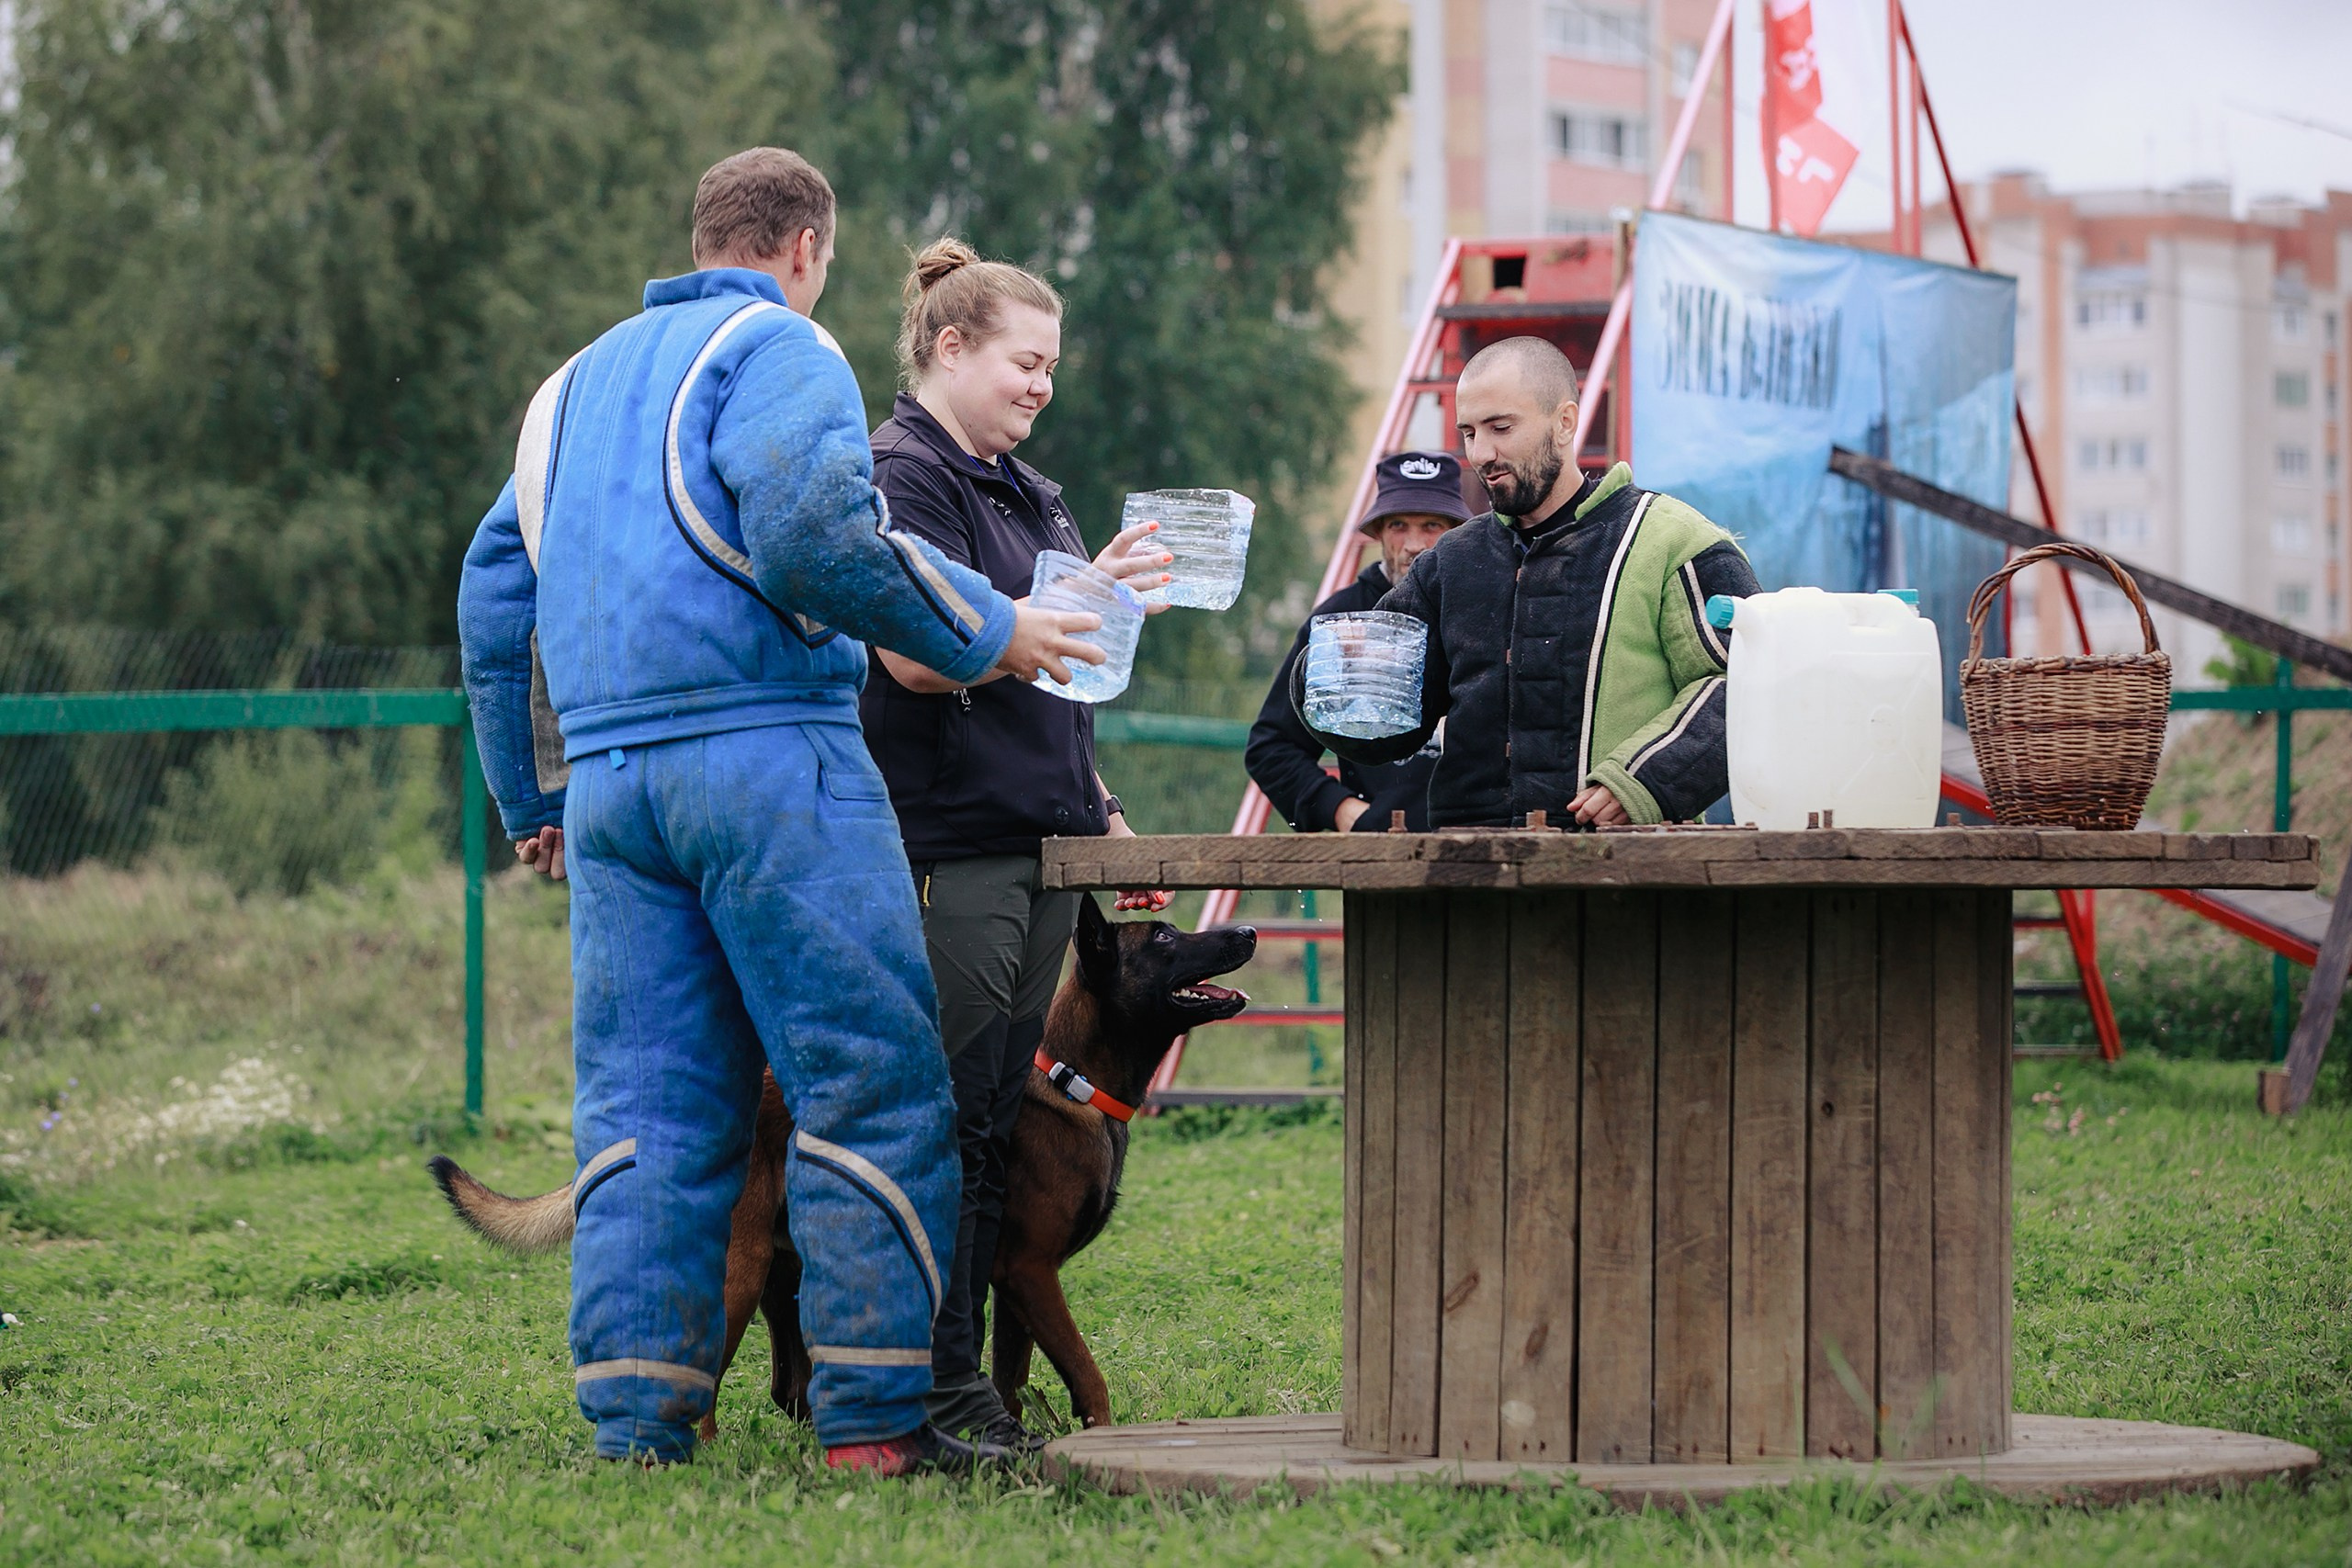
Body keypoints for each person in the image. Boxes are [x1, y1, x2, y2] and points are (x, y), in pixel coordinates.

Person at [457, 149, 1105, 1476]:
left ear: (702, 236)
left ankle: (640, 1420)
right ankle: (872, 1424)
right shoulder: (781, 347)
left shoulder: (566, 389)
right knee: (867, 1079)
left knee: (646, 1105)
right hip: (771, 766)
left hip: (617, 789)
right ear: (806, 246)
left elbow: (490, 595)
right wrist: (993, 629)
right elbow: (814, 532)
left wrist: (535, 797)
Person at [860, 237, 1170, 1453]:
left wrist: (1101, 808)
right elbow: (912, 652)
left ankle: (975, 1395)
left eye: (1051, 367)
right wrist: (1035, 620)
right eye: (1024, 361)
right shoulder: (903, 474)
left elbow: (1060, 674)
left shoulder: (1027, 491)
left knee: (994, 1119)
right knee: (951, 1122)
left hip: (1044, 840)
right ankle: (923, 1394)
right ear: (951, 345)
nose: (1043, 386)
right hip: (952, 842)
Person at [1294, 336, 1758, 828]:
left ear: (1565, 421)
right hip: (1460, 873)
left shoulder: (1674, 540)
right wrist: (1330, 673)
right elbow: (1387, 730)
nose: (1482, 452)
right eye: (1469, 432)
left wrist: (1643, 784)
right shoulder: (1449, 562)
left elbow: (1748, 684)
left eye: (1501, 427)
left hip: (1628, 873)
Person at [1246, 451, 1471, 833]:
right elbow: (1272, 748)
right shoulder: (1339, 619)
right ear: (1379, 531)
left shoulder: (1484, 612)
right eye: (1399, 524)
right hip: (1378, 869)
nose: (1415, 543)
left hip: (1483, 850)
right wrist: (1345, 813)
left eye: (1431, 524)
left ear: (1455, 532)